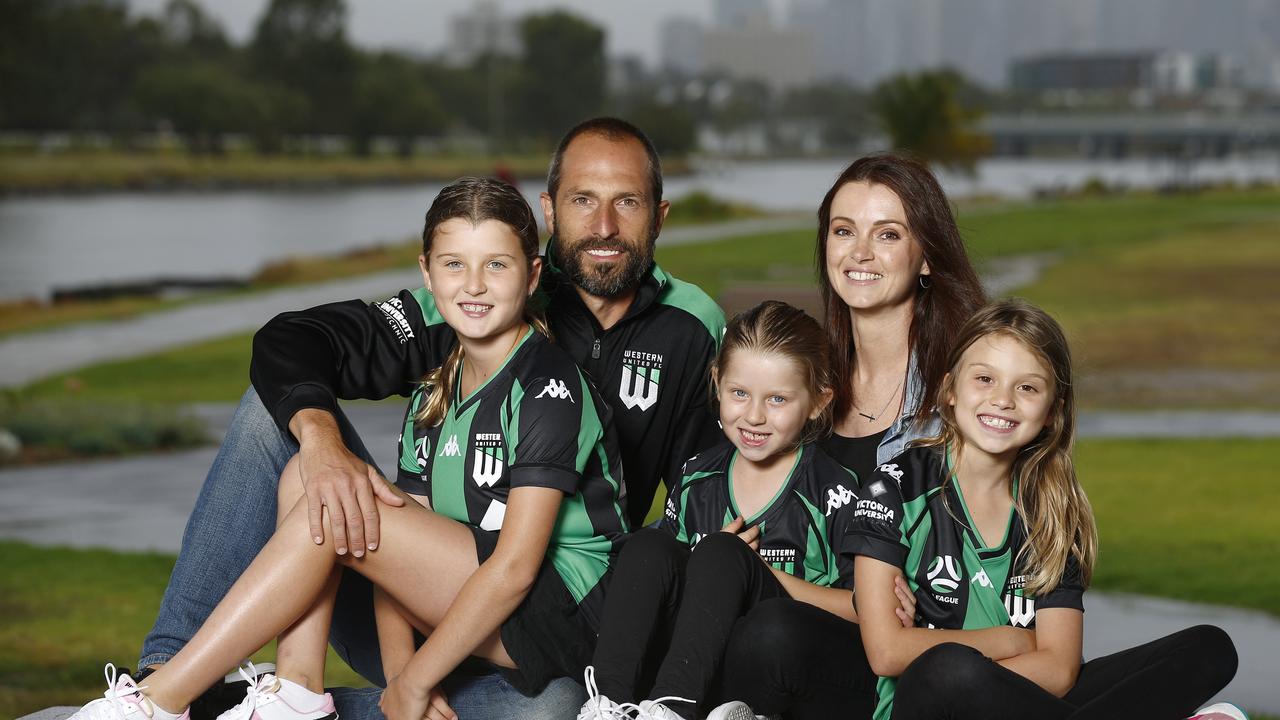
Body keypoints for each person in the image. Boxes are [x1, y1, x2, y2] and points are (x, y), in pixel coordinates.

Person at [136, 118, 724, 719]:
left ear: (659, 215)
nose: (604, 226)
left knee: (548, 711)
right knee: (280, 414)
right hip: (409, 590)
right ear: (550, 210)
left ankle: (291, 702)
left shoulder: (694, 325)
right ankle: (170, 677)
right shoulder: (475, 302)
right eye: (582, 200)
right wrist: (321, 442)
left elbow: (710, 488)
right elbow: (292, 340)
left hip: (544, 616)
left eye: (626, 202)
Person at [68, 177, 630, 720]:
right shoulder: (440, 385)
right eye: (454, 264)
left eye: (497, 265)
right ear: (426, 275)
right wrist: (399, 672)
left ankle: (162, 699)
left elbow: (513, 571)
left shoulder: (548, 384)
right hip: (472, 594)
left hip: (564, 611)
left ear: (533, 275)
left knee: (342, 498)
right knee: (307, 478)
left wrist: (413, 682)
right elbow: (400, 556)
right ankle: (296, 691)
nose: (474, 285)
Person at [849, 298, 1240, 720]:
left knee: (1208, 648)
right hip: (927, 701)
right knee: (949, 668)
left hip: (1016, 700)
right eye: (984, 379)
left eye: (1027, 387)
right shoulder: (893, 486)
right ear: (949, 390)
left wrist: (993, 674)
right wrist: (1010, 640)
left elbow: (1059, 668)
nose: (1003, 400)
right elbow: (888, 654)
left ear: (1052, 411)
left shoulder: (1052, 511)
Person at [714, 153, 989, 718]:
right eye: (843, 231)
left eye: (887, 234)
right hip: (795, 644)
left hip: (915, 658)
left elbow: (991, 554)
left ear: (927, 256)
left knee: (773, 631)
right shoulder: (800, 381)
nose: (859, 253)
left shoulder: (965, 394)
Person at [577, 301, 876, 720]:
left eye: (777, 399)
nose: (753, 416)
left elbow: (864, 609)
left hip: (780, 665)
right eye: (739, 393)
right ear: (716, 384)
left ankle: (675, 711)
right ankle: (609, 704)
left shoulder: (835, 492)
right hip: (698, 661)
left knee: (722, 553)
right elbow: (663, 582)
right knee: (648, 546)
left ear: (817, 402)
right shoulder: (698, 476)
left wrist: (754, 571)